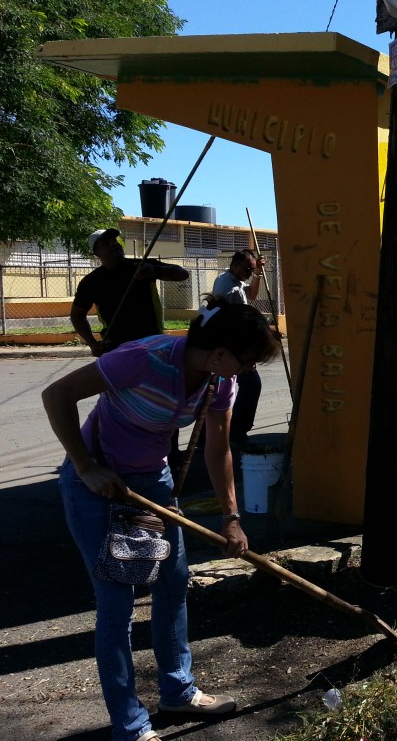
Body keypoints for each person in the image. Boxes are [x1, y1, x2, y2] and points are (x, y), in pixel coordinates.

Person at [42, 296, 280, 741]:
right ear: (220, 352)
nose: (246, 372)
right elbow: (56, 395)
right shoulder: (143, 358)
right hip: (96, 484)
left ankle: (178, 690)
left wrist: (231, 517)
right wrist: (85, 466)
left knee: (173, 584)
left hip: (152, 482)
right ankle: (130, 725)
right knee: (116, 604)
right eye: (246, 362)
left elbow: (218, 448)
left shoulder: (217, 381)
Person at [70, 228, 189, 356]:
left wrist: (155, 270)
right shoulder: (91, 282)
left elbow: (182, 273)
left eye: (114, 240)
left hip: (152, 344)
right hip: (116, 349)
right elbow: (77, 315)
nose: (113, 243)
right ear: (96, 253)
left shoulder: (141, 266)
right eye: (106, 243)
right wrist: (93, 344)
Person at [212, 249, 267, 446]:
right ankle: (235, 432)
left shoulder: (237, 281)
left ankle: (231, 431)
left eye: (252, 270)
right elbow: (228, 317)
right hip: (230, 347)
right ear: (234, 265)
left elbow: (252, 295)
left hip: (235, 346)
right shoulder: (226, 285)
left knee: (225, 389)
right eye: (248, 269)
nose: (249, 273)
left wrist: (258, 274)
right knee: (249, 385)